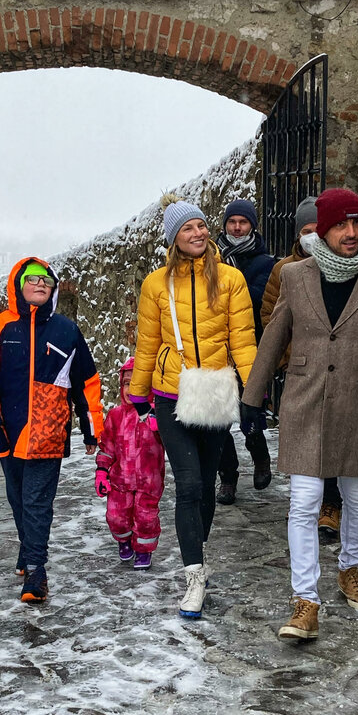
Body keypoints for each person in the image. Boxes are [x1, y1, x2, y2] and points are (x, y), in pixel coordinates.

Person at [241, 187, 358, 641]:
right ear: (322, 228)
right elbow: (274, 336)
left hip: (357, 408)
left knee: (356, 498)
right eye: (342, 224)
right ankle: (305, 602)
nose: (352, 232)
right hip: (304, 402)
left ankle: (349, 568)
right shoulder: (296, 276)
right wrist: (251, 400)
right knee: (303, 502)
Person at [129, 194, 256, 618]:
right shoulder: (155, 285)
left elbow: (243, 340)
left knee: (204, 485)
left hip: (216, 391)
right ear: (173, 239)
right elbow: (147, 343)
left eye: (201, 225)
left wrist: (254, 392)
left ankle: (195, 548)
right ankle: (195, 576)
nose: (198, 233)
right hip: (171, 394)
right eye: (188, 228)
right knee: (187, 483)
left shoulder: (231, 280)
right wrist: (137, 392)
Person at [0, 257, 103, 604]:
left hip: (49, 430)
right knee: (18, 498)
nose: (41, 284)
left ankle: (36, 570)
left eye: (47, 279)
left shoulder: (66, 331)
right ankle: (27, 549)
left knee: (36, 501)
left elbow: (86, 383)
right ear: (18, 284)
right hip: (9, 432)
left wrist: (91, 429)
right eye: (33, 279)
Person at [260, 196, 343, 540]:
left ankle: (332, 505)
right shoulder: (284, 270)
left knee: (333, 438)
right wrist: (286, 357)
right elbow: (270, 315)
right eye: (306, 230)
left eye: (317, 230)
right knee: (304, 439)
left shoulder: (342, 264)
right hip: (299, 369)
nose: (312, 236)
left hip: (336, 369)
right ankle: (306, 502)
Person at [215, 198, 276, 505]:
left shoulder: (265, 263)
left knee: (248, 410)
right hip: (215, 351)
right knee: (217, 418)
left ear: (252, 226)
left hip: (249, 347)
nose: (237, 227)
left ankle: (261, 456)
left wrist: (221, 293)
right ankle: (228, 477)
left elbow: (256, 299)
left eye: (243, 222)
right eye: (232, 222)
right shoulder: (211, 261)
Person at [95, 357, 165, 570]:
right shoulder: (116, 416)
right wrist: (101, 471)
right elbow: (107, 447)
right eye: (127, 384)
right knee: (116, 516)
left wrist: (160, 426)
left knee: (146, 518)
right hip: (120, 481)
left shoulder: (156, 415)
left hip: (149, 481)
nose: (130, 389)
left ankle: (144, 551)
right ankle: (124, 540)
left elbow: (172, 442)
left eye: (137, 384)